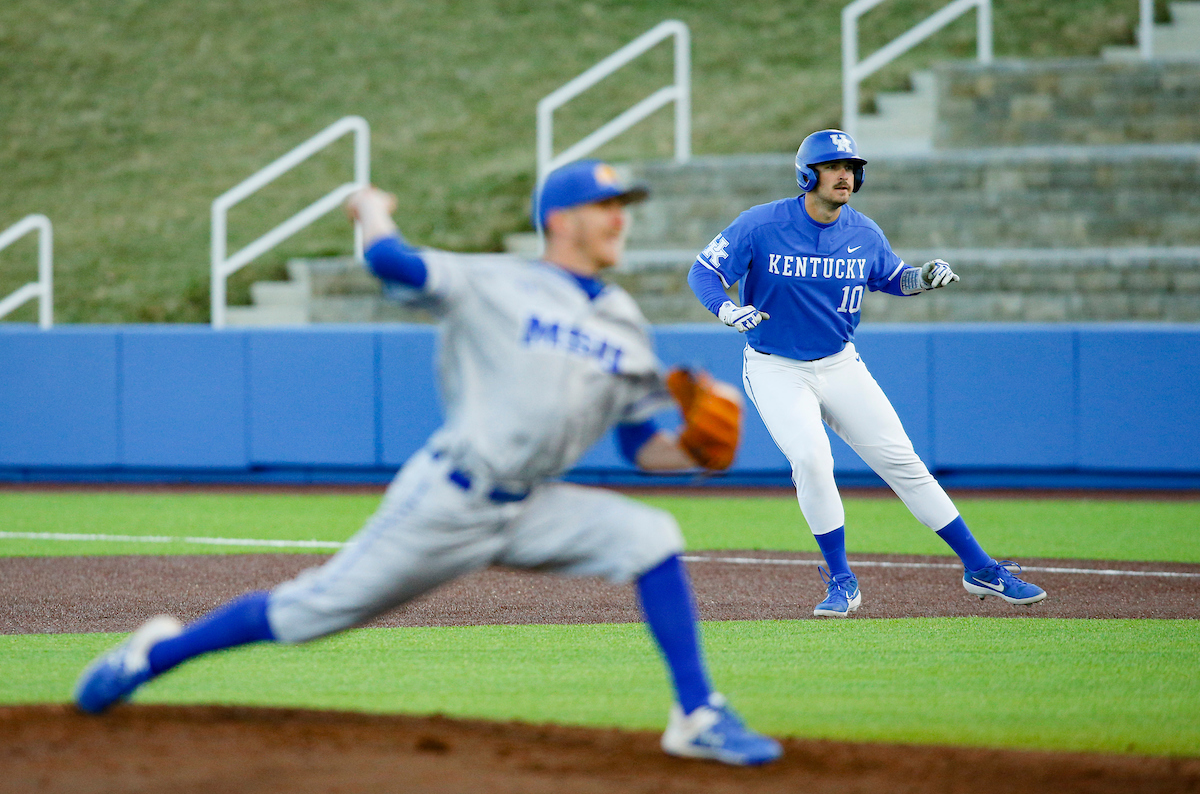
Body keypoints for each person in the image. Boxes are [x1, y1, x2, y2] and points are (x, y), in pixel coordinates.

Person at [73, 159, 782, 767]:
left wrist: (688, 452)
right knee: (310, 610)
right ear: (560, 220)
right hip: (451, 496)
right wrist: (372, 211)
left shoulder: (627, 322)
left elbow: (638, 446)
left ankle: (697, 714)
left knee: (652, 536)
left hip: (533, 506)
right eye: (605, 207)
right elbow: (391, 262)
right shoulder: (492, 282)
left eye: (622, 207)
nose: (620, 220)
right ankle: (153, 654)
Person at [686, 129, 1047, 617]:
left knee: (905, 463)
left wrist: (922, 277)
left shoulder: (864, 231)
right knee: (812, 461)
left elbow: (892, 278)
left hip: (839, 364)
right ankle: (842, 581)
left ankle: (981, 569)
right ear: (806, 174)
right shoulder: (761, 223)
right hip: (776, 367)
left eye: (851, 167)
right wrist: (726, 311)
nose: (845, 176)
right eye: (834, 166)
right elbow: (703, 272)